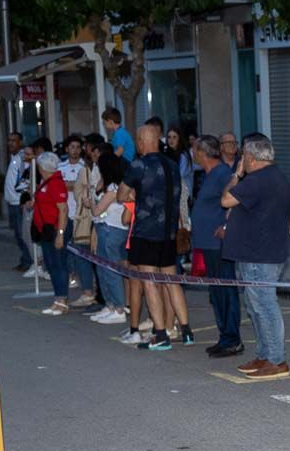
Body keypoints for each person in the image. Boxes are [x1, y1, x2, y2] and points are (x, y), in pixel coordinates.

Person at [222, 134, 290, 380]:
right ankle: (265, 354)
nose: (242, 160)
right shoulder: (274, 176)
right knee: (256, 307)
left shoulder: (258, 179)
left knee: (264, 306)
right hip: (260, 252)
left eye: (243, 156)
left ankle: (276, 359)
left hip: (259, 255)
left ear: (250, 158)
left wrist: (236, 175)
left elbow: (226, 200)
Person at [118, 124, 193, 351]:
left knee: (149, 281)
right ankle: (186, 330)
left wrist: (133, 192)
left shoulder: (138, 165)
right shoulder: (171, 165)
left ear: (141, 142)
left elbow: (122, 194)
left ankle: (160, 334)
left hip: (146, 232)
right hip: (169, 232)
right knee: (171, 282)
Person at [191, 135, 242, 358]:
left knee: (225, 291)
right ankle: (224, 336)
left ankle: (232, 339)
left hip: (218, 243)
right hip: (207, 244)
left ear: (202, 153)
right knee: (216, 292)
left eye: (195, 150)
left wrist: (226, 226)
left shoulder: (223, 174)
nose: (192, 154)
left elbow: (236, 201)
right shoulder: (208, 175)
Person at [89, 151, 130, 324]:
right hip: (105, 228)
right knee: (103, 269)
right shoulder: (108, 185)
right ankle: (111, 304)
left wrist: (90, 203)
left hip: (112, 230)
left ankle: (119, 307)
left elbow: (97, 210)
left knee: (111, 270)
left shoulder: (115, 188)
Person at [58, 135, 95, 306]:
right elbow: (59, 186)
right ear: (66, 149)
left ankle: (88, 289)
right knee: (65, 252)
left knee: (82, 254)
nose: (75, 150)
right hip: (65, 216)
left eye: (78, 147)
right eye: (71, 146)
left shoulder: (85, 167)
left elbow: (82, 186)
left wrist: (70, 185)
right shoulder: (60, 166)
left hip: (81, 217)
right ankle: (75, 278)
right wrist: (73, 185)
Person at [32, 152, 70, 315]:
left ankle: (62, 300)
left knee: (59, 265)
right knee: (52, 265)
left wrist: (60, 233)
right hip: (46, 229)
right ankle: (58, 299)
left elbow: (63, 210)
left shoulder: (55, 183)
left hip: (55, 229)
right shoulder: (46, 182)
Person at [4, 131, 32, 272]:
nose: (10, 143)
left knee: (23, 234)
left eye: (14, 140)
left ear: (20, 142)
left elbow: (27, 179)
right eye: (9, 140)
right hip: (12, 202)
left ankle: (29, 261)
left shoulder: (22, 157)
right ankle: (25, 260)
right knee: (18, 234)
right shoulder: (14, 158)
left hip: (18, 203)